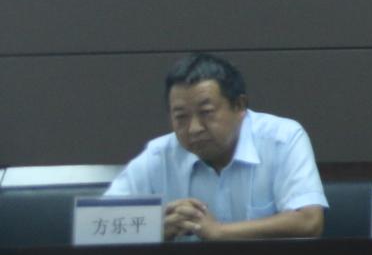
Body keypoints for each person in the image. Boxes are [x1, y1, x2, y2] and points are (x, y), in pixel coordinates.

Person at [105, 52, 326, 241]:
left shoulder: (282, 139)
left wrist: (219, 232)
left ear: (239, 106)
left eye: (206, 113)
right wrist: (154, 229)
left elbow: (309, 221)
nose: (194, 129)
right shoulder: (159, 155)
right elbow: (98, 225)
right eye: (181, 117)